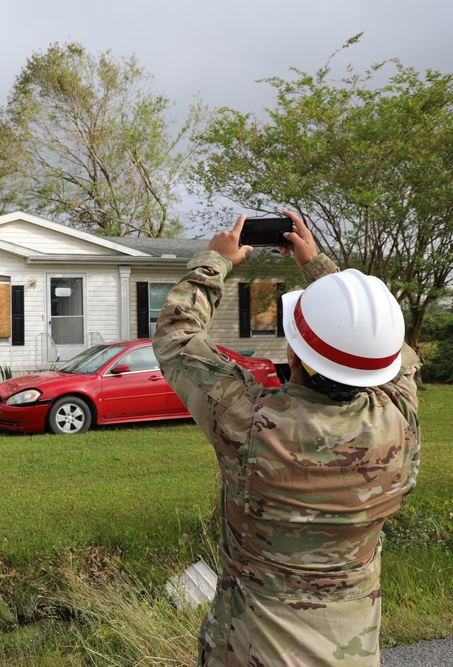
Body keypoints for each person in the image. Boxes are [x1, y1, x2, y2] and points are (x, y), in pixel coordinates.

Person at [152, 212, 421, 667]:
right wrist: (322, 272)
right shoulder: (400, 420)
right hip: (353, 653)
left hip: (250, 652)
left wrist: (214, 262)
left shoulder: (253, 424)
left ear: (294, 349)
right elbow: (387, 351)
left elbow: (179, 337)